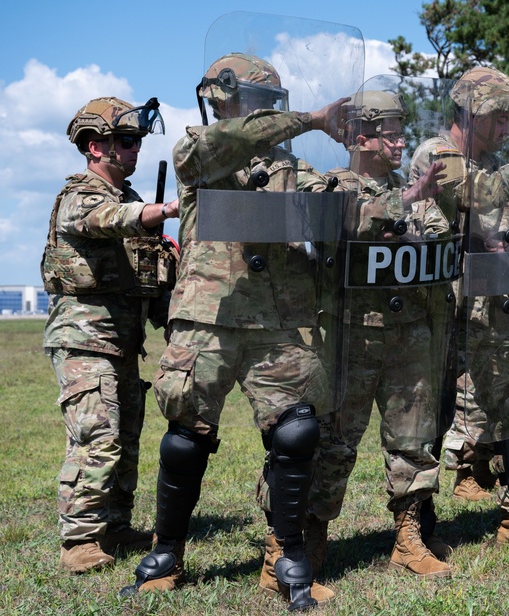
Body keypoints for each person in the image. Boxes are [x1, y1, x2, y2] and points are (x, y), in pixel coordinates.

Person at [121, 53, 349, 610]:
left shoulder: (294, 168)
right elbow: (212, 150)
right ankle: (166, 553)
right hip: (210, 316)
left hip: (278, 321)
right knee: (186, 435)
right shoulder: (201, 151)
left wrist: (337, 206)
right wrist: (314, 119)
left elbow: (332, 206)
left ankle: (287, 558)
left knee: (296, 434)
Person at [411, 68, 509, 552]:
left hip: (493, 312)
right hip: (442, 314)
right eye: (497, 118)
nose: (505, 128)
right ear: (469, 113)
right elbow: (475, 194)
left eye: (508, 119)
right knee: (430, 417)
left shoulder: (499, 164)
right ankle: (417, 519)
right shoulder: (436, 155)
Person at [316, 85, 456, 578]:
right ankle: (310, 539)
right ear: (361, 135)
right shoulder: (332, 184)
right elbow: (342, 229)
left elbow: (440, 243)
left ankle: (408, 535)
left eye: (400, 134)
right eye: (390, 135)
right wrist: (405, 204)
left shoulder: (416, 194)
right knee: (334, 441)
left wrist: (418, 220)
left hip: (410, 332)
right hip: (352, 336)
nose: (400, 143)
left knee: (414, 440)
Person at [43, 96, 176, 573]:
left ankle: (114, 525)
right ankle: (78, 540)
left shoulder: (132, 202)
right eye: (126, 141)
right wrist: (160, 212)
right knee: (97, 437)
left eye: (138, 139)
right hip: (83, 340)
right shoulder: (81, 196)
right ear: (95, 146)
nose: (135, 148)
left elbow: (150, 278)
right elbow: (107, 221)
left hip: (121, 342)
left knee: (126, 436)